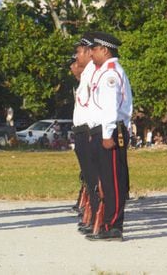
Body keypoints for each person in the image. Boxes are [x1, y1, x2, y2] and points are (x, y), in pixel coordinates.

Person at [85, 32, 133, 241]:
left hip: (111, 131)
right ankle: (108, 223)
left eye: (94, 49)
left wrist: (106, 135)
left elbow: (111, 108)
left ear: (104, 50)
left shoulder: (111, 73)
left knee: (113, 179)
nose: (91, 53)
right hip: (103, 130)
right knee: (105, 178)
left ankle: (114, 226)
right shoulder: (102, 71)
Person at [70, 33, 99, 235]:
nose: (76, 56)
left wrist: (90, 131)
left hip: (89, 130)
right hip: (81, 130)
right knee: (88, 178)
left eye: (79, 51)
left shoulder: (93, 72)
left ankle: (98, 216)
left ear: (89, 52)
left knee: (93, 177)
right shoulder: (88, 73)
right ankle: (92, 214)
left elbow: (93, 107)